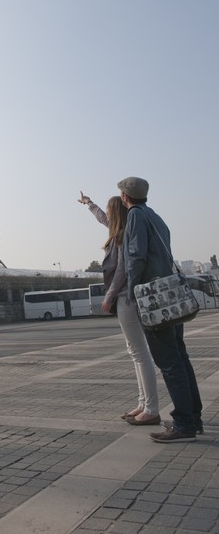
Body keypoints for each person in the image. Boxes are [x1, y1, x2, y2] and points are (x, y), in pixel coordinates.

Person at [118, 176, 203, 443]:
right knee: (180, 358)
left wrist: (133, 290)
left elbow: (136, 256)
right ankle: (194, 418)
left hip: (154, 299)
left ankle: (184, 425)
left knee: (169, 362)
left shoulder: (135, 216)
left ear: (125, 197)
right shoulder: (154, 216)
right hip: (171, 295)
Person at [79, 192, 160, 425]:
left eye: (108, 208)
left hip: (126, 298)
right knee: (136, 351)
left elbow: (122, 271)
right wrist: (89, 204)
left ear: (115, 212)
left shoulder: (123, 235)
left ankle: (151, 408)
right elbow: (102, 218)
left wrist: (109, 296)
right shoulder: (119, 230)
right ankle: (143, 403)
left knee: (139, 353)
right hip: (126, 298)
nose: (105, 212)